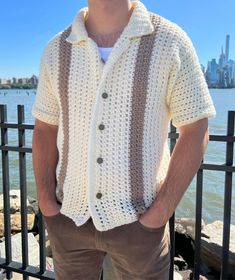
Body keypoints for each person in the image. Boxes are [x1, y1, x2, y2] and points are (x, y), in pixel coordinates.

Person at [31, 0, 216, 279]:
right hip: (69, 219)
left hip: (140, 226)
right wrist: (46, 202)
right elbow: (45, 128)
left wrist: (158, 215)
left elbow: (196, 128)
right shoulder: (57, 49)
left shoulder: (169, 40)